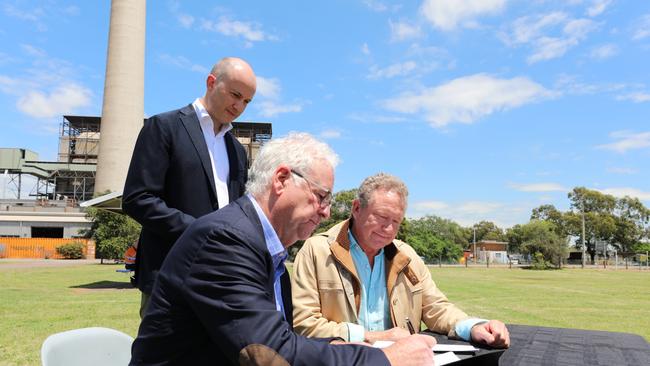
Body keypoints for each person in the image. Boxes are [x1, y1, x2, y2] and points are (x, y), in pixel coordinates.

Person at [129, 133, 436, 366]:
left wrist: (358, 347)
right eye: (321, 196)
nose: (327, 212)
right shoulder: (225, 241)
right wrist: (386, 359)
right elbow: (268, 353)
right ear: (281, 179)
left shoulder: (266, 255)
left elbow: (285, 342)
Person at [291, 173, 510, 348]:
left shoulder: (407, 256)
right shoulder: (317, 251)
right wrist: (370, 337)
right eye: (382, 217)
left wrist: (473, 326)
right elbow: (303, 324)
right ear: (357, 208)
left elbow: (435, 307)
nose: (388, 229)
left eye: (396, 221)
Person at [122, 57, 255, 317]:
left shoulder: (237, 150)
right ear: (211, 82)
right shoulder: (164, 127)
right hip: (169, 273)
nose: (239, 106)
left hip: (220, 277)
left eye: (247, 102)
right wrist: (200, 232)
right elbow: (138, 198)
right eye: (235, 95)